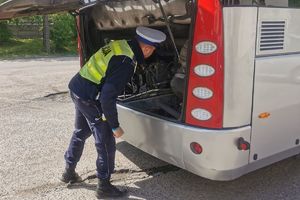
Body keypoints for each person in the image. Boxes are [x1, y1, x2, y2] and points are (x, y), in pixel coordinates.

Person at [60, 26, 166, 199]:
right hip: (88, 96)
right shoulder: (126, 62)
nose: (151, 53)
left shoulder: (122, 44)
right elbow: (107, 98)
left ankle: (68, 172)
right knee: (106, 140)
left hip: (77, 87)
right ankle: (104, 187)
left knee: (82, 131)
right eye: (152, 50)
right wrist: (114, 126)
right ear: (147, 48)